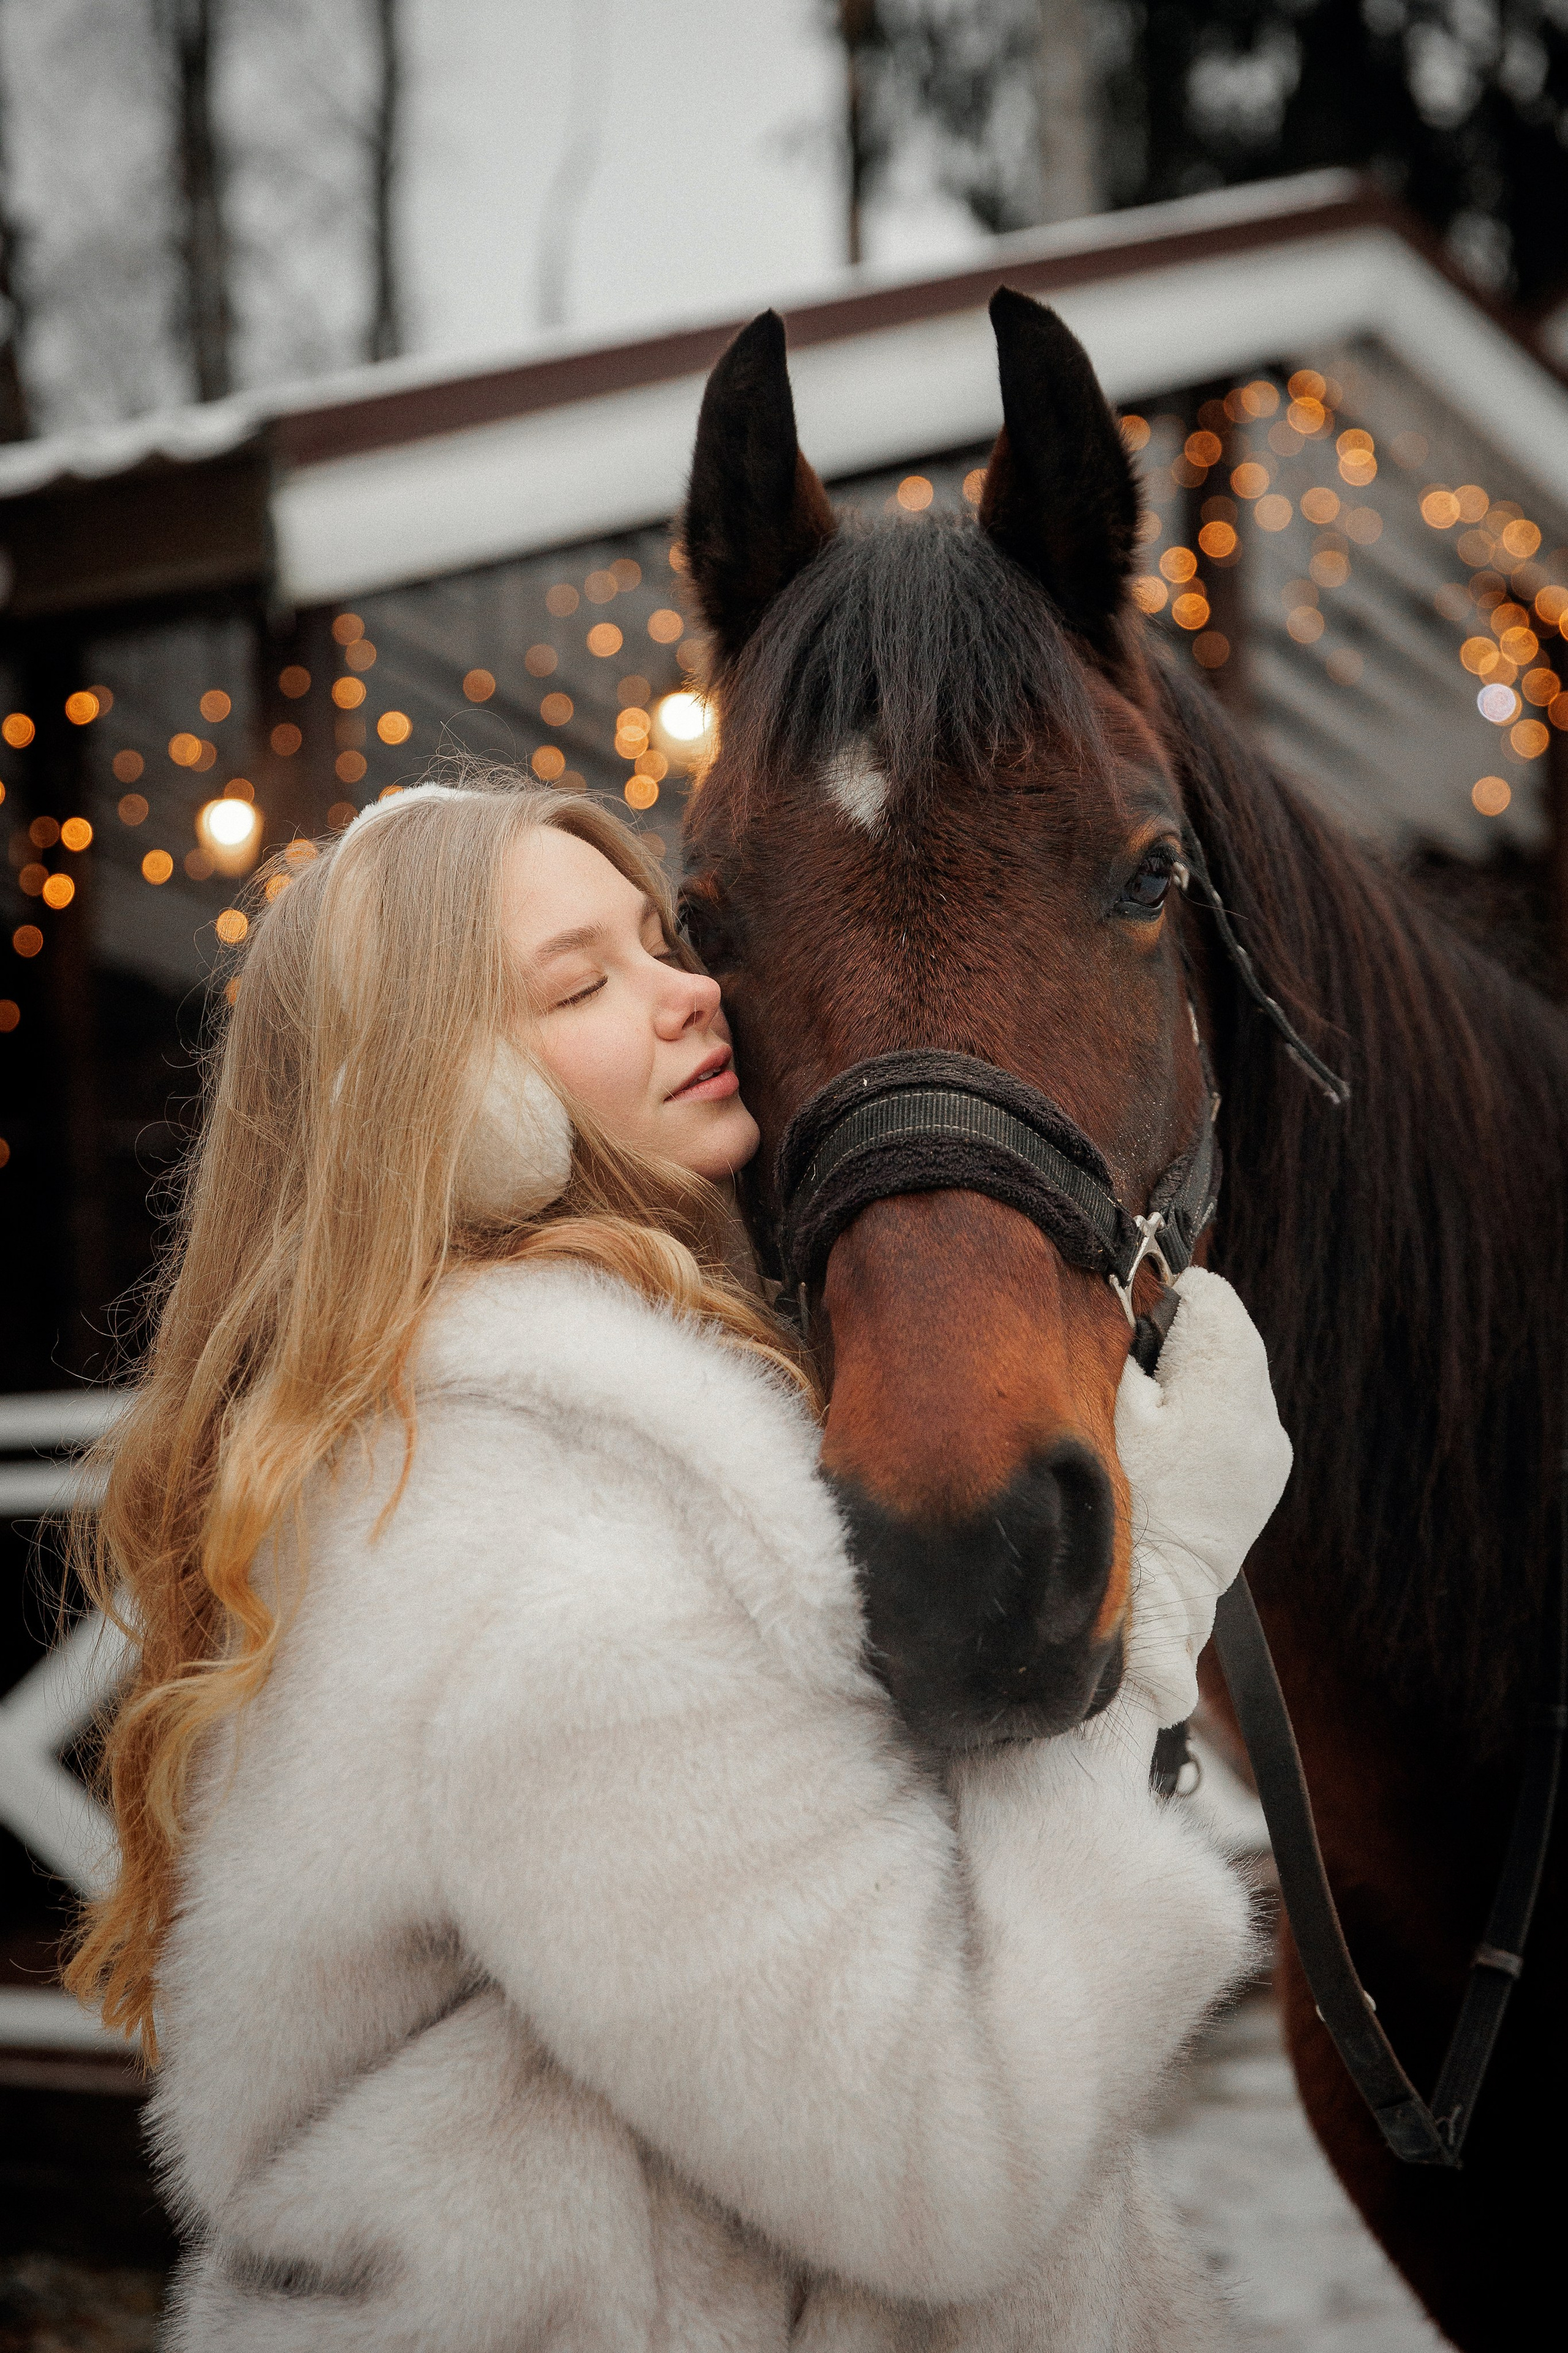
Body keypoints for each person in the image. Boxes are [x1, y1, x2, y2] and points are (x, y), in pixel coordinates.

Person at [68, 774, 1292, 2351]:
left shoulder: (487, 1444)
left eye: (661, 941)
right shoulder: (548, 1545)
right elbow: (935, 2152)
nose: (685, 996)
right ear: (452, 1109)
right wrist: (1155, 1598)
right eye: (579, 985)